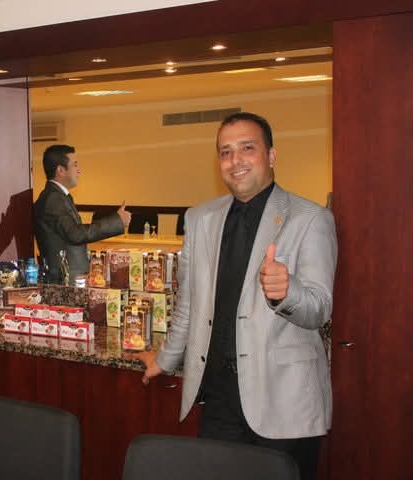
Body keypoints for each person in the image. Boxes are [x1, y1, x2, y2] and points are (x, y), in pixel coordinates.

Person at [137, 113, 337, 479]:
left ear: (271, 155)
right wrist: (165, 359)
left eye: (247, 148)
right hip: (219, 397)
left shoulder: (310, 218)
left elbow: (320, 309)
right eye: (225, 152)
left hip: (283, 399)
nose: (235, 160)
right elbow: (189, 303)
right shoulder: (200, 218)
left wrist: (287, 292)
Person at [33, 144, 131, 284]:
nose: (79, 170)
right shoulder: (53, 199)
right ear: (61, 170)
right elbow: (75, 234)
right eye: (75, 165)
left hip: (70, 278)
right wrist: (117, 221)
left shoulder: (60, 196)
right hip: (65, 281)